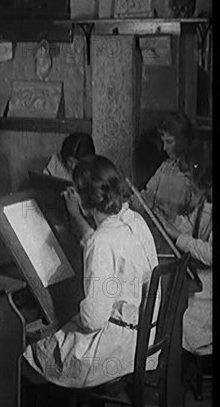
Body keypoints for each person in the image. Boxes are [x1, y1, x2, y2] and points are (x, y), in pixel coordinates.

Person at [23, 155, 158, 389]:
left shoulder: (102, 242)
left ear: (85, 201)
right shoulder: (134, 221)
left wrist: (76, 311)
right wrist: (77, 216)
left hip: (116, 352)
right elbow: (106, 247)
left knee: (33, 355)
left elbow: (93, 319)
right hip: (144, 339)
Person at [154, 143, 212, 356]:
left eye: (188, 178)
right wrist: (169, 221)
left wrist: (179, 236)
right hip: (203, 277)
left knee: (173, 304)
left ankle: (172, 364)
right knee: (169, 294)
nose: (186, 183)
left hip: (209, 289)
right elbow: (189, 226)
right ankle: (169, 362)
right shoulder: (205, 202)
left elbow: (210, 253)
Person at [129, 112, 195, 218]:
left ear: (183, 140)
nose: (164, 148)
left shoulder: (195, 172)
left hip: (178, 232)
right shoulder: (166, 166)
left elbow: (194, 219)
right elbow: (149, 193)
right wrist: (139, 200)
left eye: (169, 142)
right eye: (163, 142)